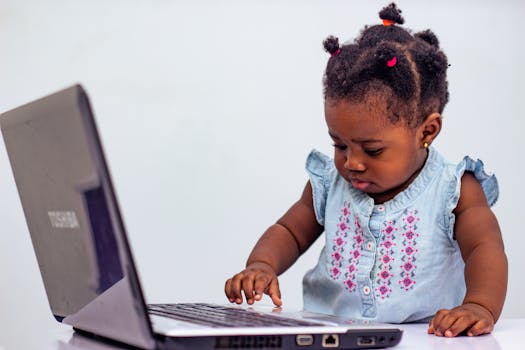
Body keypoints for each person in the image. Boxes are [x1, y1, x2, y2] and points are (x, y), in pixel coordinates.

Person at [224, 3, 507, 338]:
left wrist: (479, 305)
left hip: (426, 338)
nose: (352, 162)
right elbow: (289, 231)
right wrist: (262, 265)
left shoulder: (454, 189)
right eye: (340, 145)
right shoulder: (330, 182)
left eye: (372, 150)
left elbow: (484, 248)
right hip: (326, 335)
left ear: (427, 131)